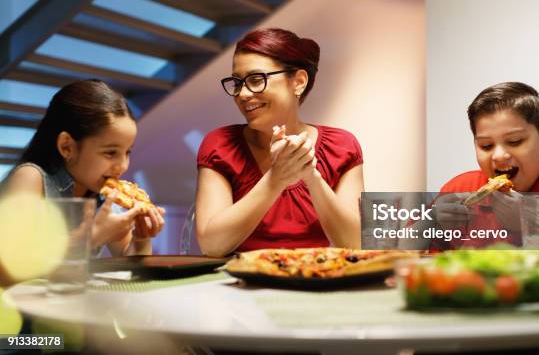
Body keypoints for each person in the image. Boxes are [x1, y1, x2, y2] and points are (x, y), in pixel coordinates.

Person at [195, 28, 364, 257]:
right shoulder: (220, 145)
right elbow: (211, 245)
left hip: (317, 281)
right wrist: (276, 179)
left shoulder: (342, 146)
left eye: (256, 79)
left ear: (298, 82)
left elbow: (357, 244)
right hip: (240, 284)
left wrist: (310, 174)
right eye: (237, 82)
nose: (243, 94)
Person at [434, 82, 539, 251]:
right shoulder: (459, 188)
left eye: (515, 141)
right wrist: (431, 222)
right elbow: (411, 251)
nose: (499, 155)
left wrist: (533, 224)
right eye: (486, 146)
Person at [0, 79, 165, 256]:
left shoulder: (103, 196)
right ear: (67, 147)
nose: (123, 166)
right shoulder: (30, 178)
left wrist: (140, 239)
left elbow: (127, 260)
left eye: (128, 152)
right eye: (110, 152)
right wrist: (92, 236)